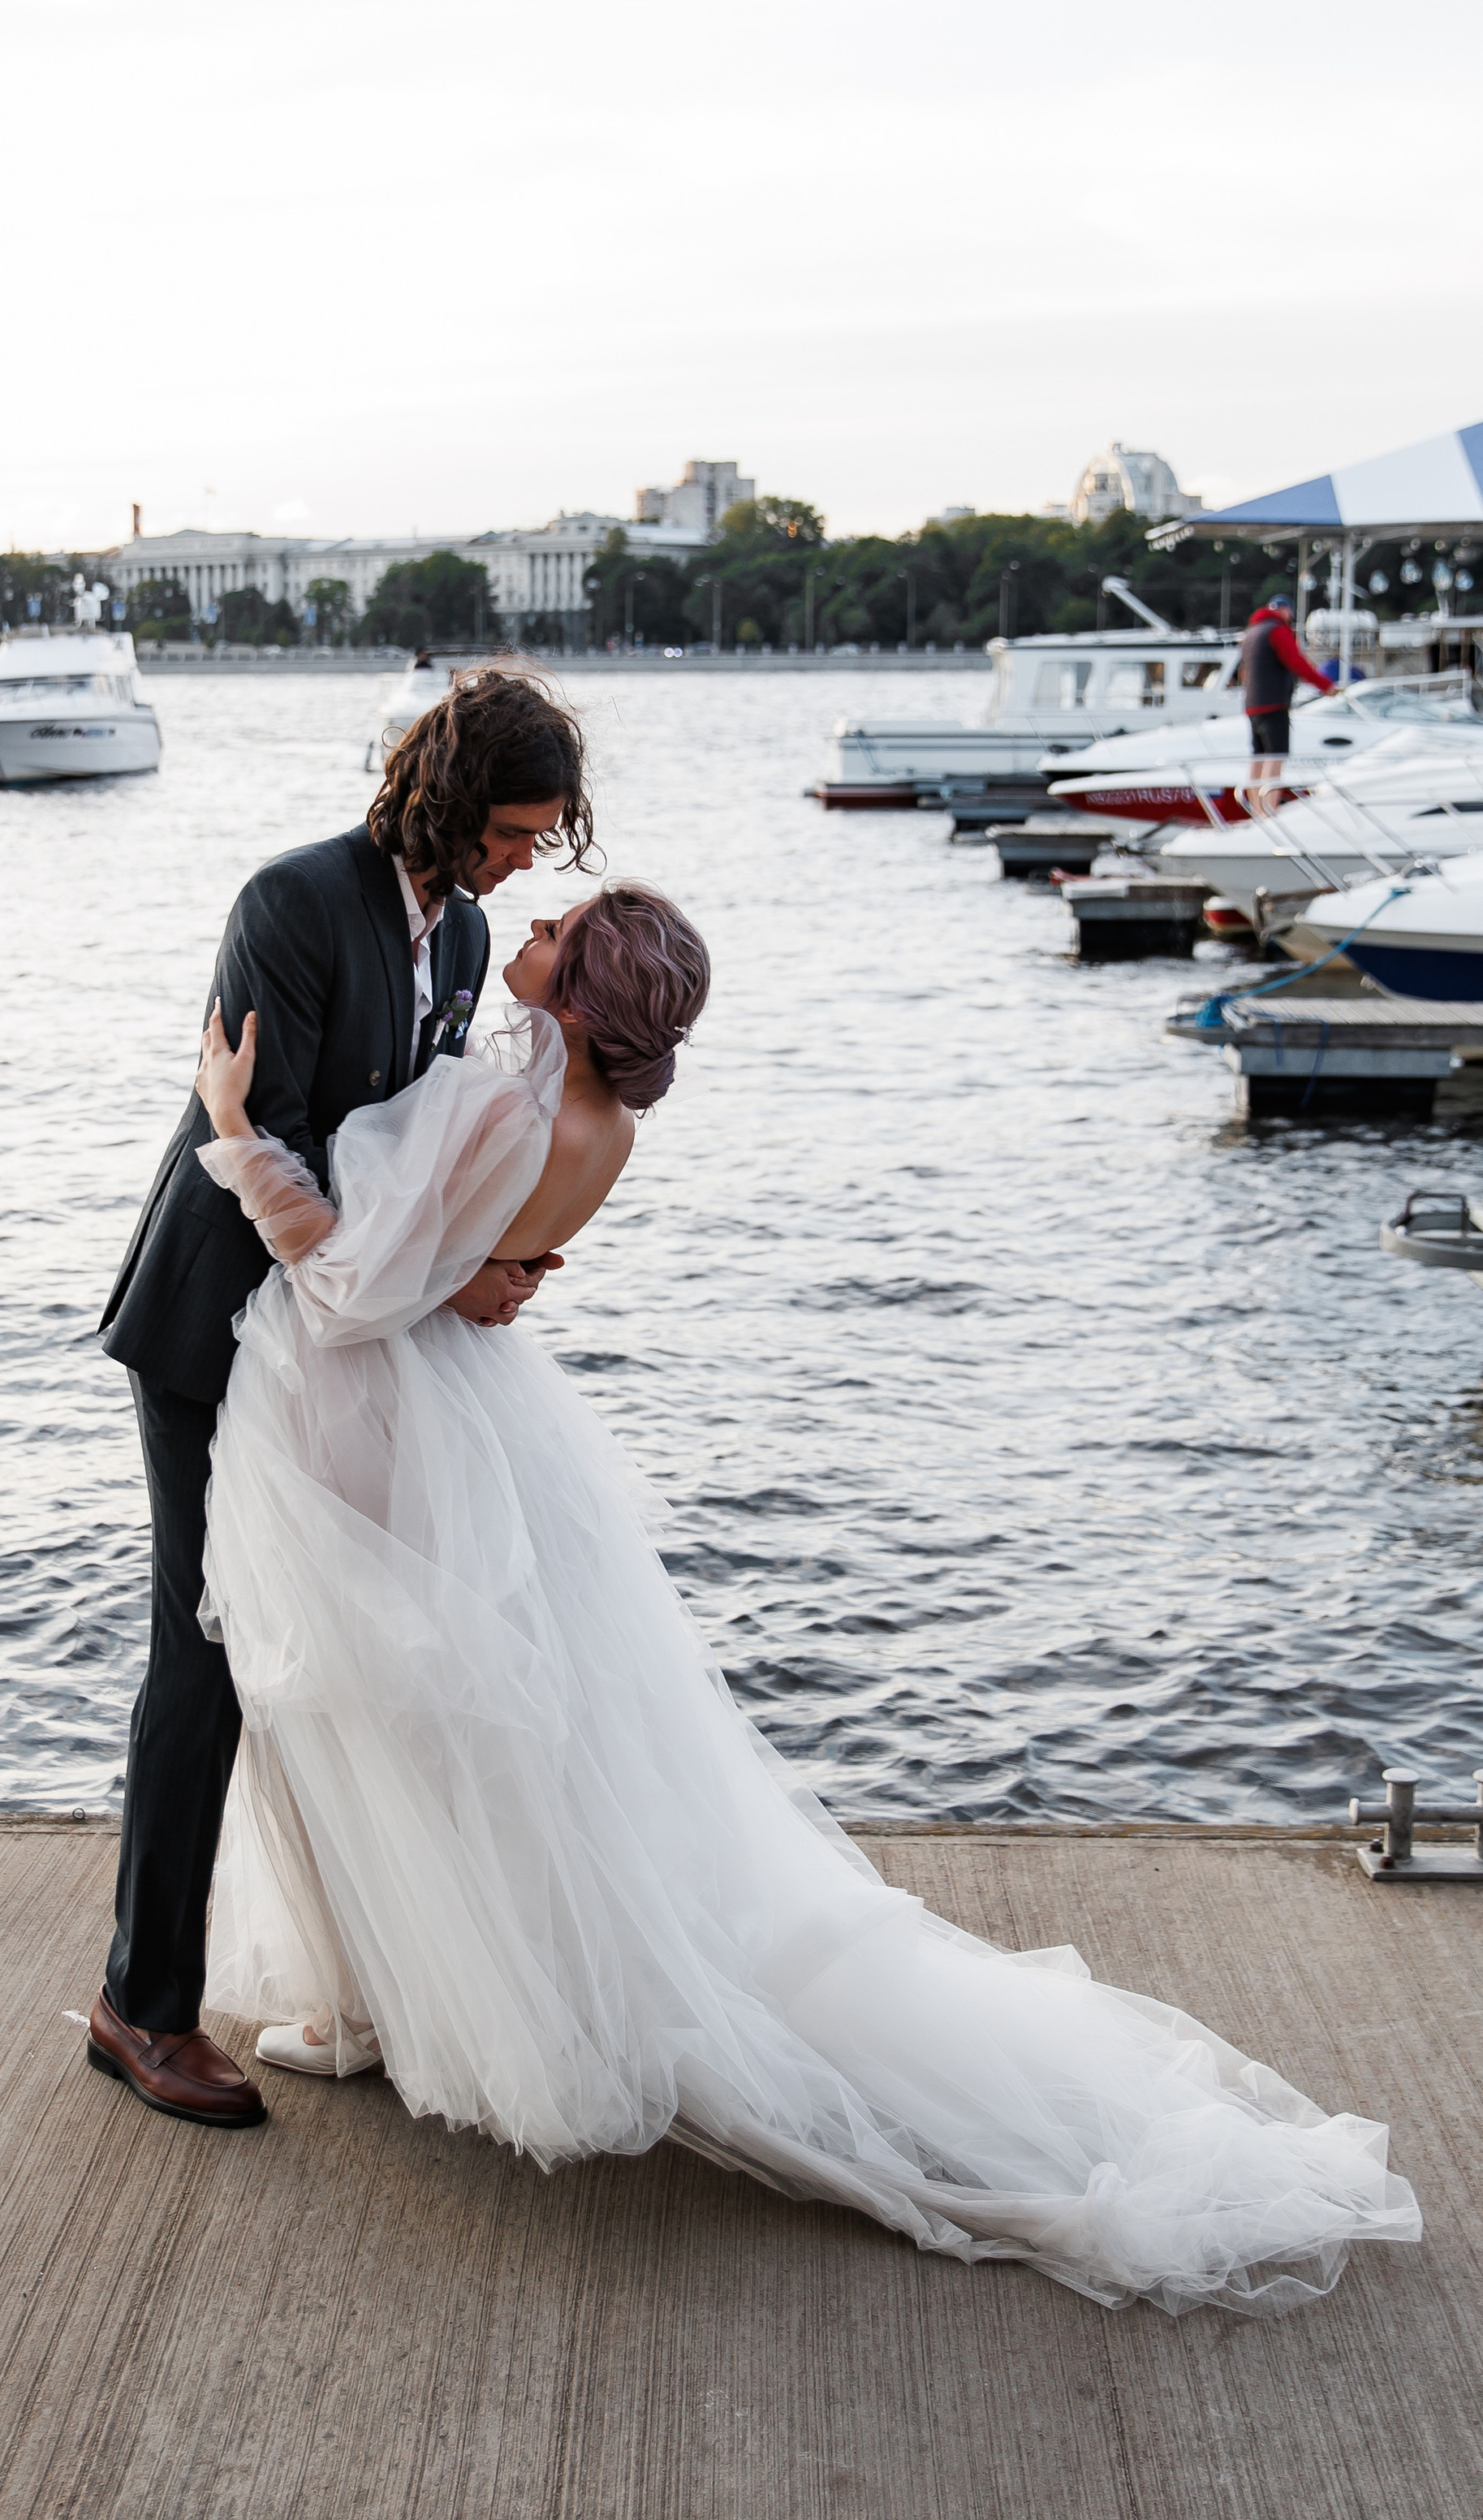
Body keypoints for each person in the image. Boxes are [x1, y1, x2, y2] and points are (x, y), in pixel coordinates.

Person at [163, 887, 1422, 2316]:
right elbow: (469, 1269)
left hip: (396, 1422)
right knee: (500, 1734)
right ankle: (404, 1991)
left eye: (558, 921)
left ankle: (393, 2002)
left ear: (579, 988)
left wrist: (237, 1130)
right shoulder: (607, 1127)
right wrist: (480, 1262)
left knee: (384, 1709)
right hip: (488, 1428)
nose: (530, 912)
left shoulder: (509, 1105)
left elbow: (342, 1288)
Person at [88, 667, 593, 2130]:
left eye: (538, 840)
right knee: (208, 1650)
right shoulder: (292, 904)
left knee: (355, 1647)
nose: (519, 862)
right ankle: (142, 2006)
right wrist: (434, 1283)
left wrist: (482, 1259)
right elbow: (282, 1150)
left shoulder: (474, 934)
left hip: (337, 1342)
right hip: (211, 1327)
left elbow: (410, 1158)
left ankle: (361, 1975)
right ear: (445, 800)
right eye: (508, 831)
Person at [1240, 592, 1331, 816]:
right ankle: (1269, 811)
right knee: (1275, 756)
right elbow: (1296, 661)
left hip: (1253, 705)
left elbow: (1244, 671)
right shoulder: (1277, 631)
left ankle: (1255, 811)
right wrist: (1326, 686)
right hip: (1274, 704)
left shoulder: (1251, 633)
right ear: (1285, 610)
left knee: (1258, 759)